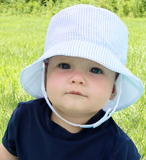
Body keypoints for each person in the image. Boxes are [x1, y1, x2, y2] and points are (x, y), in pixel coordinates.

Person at [0, 4, 144, 160]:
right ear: (46, 74)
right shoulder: (25, 118)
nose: (77, 78)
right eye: (64, 65)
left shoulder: (118, 149)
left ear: (114, 88)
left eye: (95, 70)